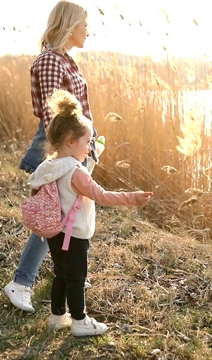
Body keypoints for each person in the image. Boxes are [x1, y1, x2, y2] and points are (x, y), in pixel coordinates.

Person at [31, 89, 152, 336]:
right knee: (76, 279)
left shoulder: (48, 166)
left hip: (54, 233)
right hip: (74, 236)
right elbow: (102, 196)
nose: (89, 147)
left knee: (61, 276)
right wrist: (133, 198)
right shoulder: (76, 172)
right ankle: (79, 321)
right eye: (87, 142)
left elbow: (36, 192)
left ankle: (57, 316)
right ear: (70, 141)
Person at [4, 0, 98, 312]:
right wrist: (66, 159)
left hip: (75, 146)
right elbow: (52, 118)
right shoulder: (49, 62)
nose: (88, 30)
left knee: (69, 216)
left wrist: (91, 141)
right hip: (59, 148)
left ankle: (68, 272)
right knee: (54, 217)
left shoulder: (66, 60)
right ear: (70, 26)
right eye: (84, 24)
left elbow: (78, 109)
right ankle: (21, 282)